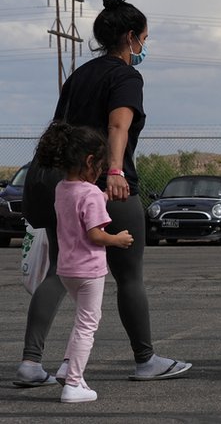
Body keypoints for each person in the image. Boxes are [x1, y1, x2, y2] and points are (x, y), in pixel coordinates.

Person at [13, 0, 191, 388]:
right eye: (144, 38)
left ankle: (30, 362)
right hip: (106, 186)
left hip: (62, 183)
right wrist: (114, 171)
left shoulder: (80, 74)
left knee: (61, 271)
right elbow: (117, 126)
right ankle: (145, 359)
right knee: (129, 276)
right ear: (130, 37)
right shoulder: (125, 75)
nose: (145, 46)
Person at [32, 122, 135, 402]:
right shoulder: (89, 193)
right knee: (88, 324)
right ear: (90, 161)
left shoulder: (63, 189)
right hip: (89, 270)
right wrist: (118, 240)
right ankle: (73, 384)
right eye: (100, 166)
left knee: (81, 320)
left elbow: (81, 207)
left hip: (67, 269)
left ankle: (68, 367)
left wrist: (100, 196)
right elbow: (94, 234)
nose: (101, 171)